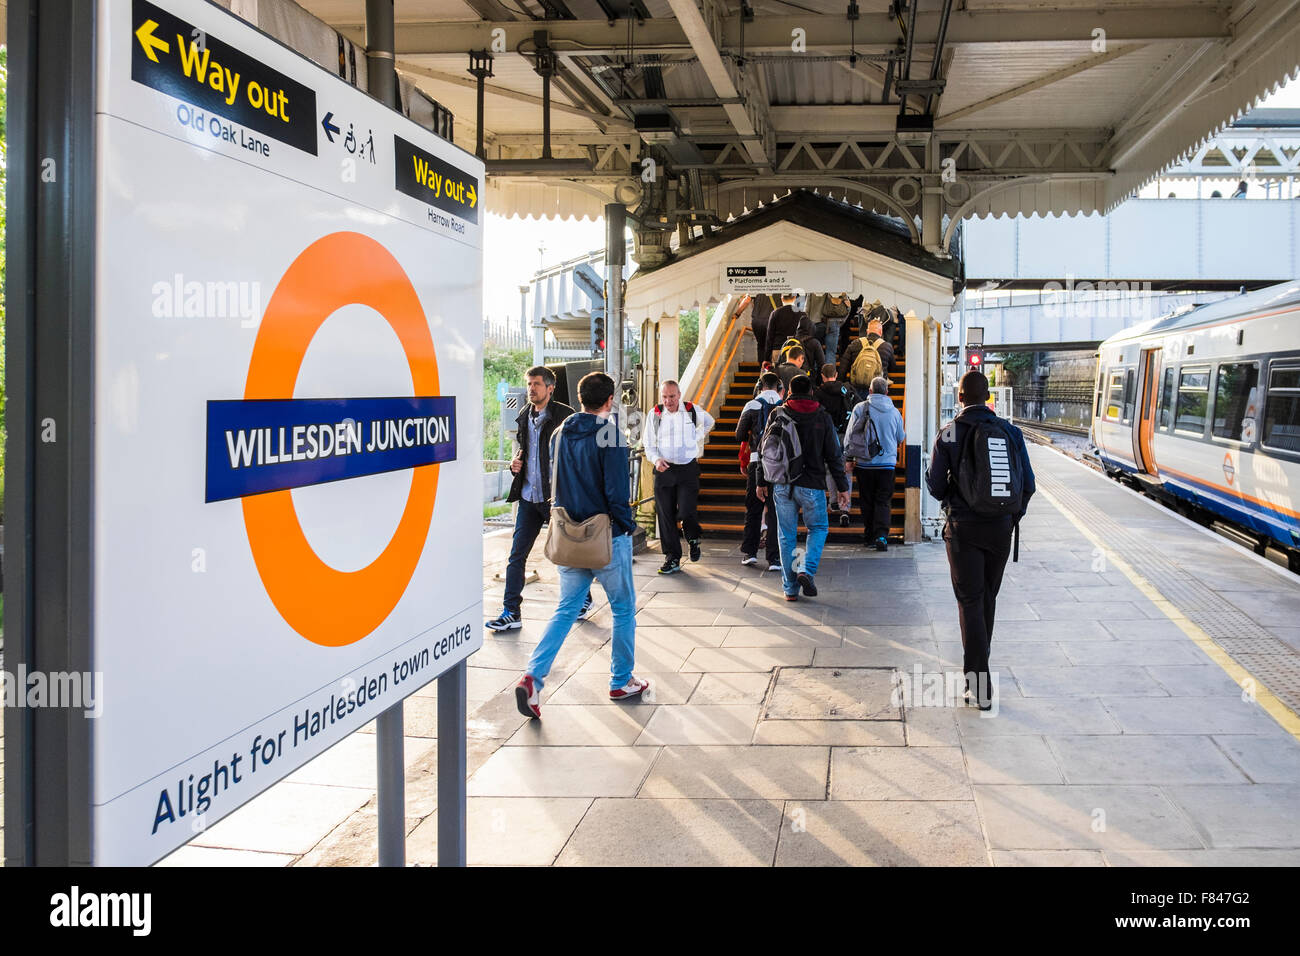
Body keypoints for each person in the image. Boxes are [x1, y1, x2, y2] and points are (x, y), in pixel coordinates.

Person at [515, 372, 647, 718]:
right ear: (609, 401)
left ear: (579, 397)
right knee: (622, 607)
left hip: (568, 535)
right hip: (605, 536)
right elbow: (618, 492)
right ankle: (621, 680)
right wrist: (626, 526)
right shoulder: (609, 434)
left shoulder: (561, 432)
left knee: (566, 609)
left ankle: (532, 677)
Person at [925, 370, 1035, 711]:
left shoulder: (951, 432)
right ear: (988, 398)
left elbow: (935, 485)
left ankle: (979, 684)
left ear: (960, 398)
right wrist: (1011, 518)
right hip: (1001, 529)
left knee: (970, 602)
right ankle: (978, 671)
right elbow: (1028, 484)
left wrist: (952, 498)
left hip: (964, 529)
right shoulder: (1011, 432)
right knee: (986, 599)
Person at [488, 366, 591, 632]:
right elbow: (526, 449)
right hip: (528, 497)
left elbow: (580, 454)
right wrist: (516, 463)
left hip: (554, 498)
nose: (531, 389)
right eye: (529, 383)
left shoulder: (566, 417)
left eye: (536, 384)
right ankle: (511, 611)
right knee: (516, 556)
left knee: (567, 554)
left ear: (549, 388)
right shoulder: (524, 415)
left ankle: (584, 598)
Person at [757, 375, 850, 601]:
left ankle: (790, 589)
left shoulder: (777, 414)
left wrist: (761, 481)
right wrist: (842, 487)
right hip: (811, 484)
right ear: (811, 392)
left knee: (786, 536)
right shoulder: (821, 416)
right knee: (817, 528)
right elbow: (834, 456)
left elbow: (764, 449)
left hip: (782, 484)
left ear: (789, 391)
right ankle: (806, 570)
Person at [644, 380, 715, 574]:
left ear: (679, 394)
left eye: (672, 396)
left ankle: (692, 537)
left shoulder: (692, 410)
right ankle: (672, 557)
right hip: (664, 469)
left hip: (687, 469)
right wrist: (656, 459)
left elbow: (710, 422)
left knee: (686, 511)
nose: (668, 401)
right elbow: (648, 443)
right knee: (665, 515)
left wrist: (697, 436)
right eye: (665, 397)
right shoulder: (655, 414)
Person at [844, 376, 906, 550]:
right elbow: (901, 437)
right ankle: (881, 536)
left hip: (864, 464)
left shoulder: (860, 408)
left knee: (867, 500)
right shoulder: (894, 412)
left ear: (870, 391)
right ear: (887, 392)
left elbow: (849, 436)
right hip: (887, 465)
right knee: (883, 501)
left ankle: (869, 535)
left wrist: (849, 458)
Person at [735, 372, 784, 569]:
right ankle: (774, 558)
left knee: (754, 508)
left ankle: (750, 552)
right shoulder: (784, 405)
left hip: (756, 462)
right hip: (779, 465)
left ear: (759, 386)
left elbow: (739, 435)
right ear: (778, 387)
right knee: (775, 510)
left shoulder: (752, 405)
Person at [816, 364, 859, 527]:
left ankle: (833, 501)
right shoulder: (847, 389)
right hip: (845, 435)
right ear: (835, 374)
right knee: (845, 470)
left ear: (822, 375)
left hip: (826, 436)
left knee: (829, 468)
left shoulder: (818, 392)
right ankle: (845, 509)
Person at [839, 314, 895, 401]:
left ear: (867, 331)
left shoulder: (855, 344)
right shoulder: (887, 347)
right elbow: (892, 368)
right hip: (877, 390)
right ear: (881, 332)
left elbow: (843, 365)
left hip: (856, 387)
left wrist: (841, 383)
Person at [763, 293, 813, 364]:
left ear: (782, 298)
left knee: (778, 374)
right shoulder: (802, 314)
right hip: (796, 351)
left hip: (778, 350)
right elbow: (807, 335)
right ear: (795, 298)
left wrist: (766, 358)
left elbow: (769, 337)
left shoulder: (775, 313)